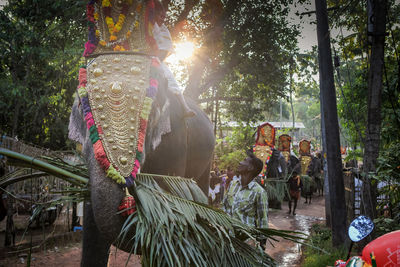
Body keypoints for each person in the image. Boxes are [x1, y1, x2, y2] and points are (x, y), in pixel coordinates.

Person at [153, 2, 195, 117]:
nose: (162, 19)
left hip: (157, 61)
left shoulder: (164, 30)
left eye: (164, 17)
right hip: (140, 59)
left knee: (171, 80)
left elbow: (165, 50)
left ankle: (185, 107)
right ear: (153, 14)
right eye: (160, 16)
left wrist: (156, 60)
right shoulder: (145, 26)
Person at [222, 151, 268, 249]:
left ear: (250, 168)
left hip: (246, 241)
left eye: (244, 161)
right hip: (227, 237)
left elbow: (262, 220)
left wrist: (262, 243)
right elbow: (224, 206)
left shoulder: (259, 192)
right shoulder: (233, 184)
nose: (240, 162)